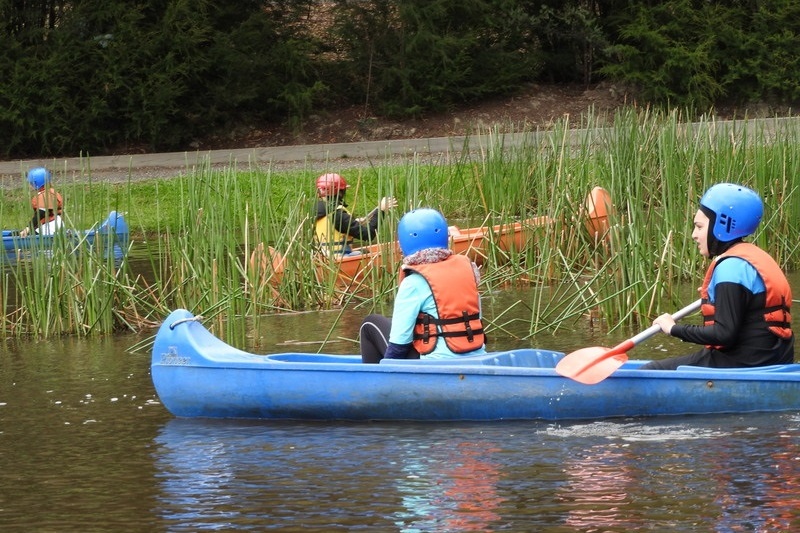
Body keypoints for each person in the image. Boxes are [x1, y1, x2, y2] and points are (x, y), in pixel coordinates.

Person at [642, 183, 794, 370]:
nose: (693, 235)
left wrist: (673, 328)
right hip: (774, 360)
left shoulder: (730, 268)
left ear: (722, 225)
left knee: (650, 371)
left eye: (699, 227)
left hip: (743, 364)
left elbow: (724, 335)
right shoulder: (751, 258)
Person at [360, 207, 487, 363]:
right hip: (477, 353)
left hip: (436, 361)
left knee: (370, 324)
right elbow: (478, 318)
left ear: (405, 242)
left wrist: (388, 370)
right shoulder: (468, 269)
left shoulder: (414, 282)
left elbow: (399, 344)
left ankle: (373, 381)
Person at [314, 172, 397, 256]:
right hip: (339, 259)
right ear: (339, 193)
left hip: (322, 258)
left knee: (363, 251)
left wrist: (354, 222)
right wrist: (381, 211)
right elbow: (368, 235)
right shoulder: (338, 215)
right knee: (365, 252)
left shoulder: (313, 213)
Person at [19, 167, 64, 237]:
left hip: (51, 227)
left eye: (31, 183)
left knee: (17, 235)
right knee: (15, 233)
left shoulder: (47, 195)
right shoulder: (47, 192)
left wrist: (28, 228)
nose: (30, 185)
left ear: (36, 183)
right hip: (47, 225)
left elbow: (42, 212)